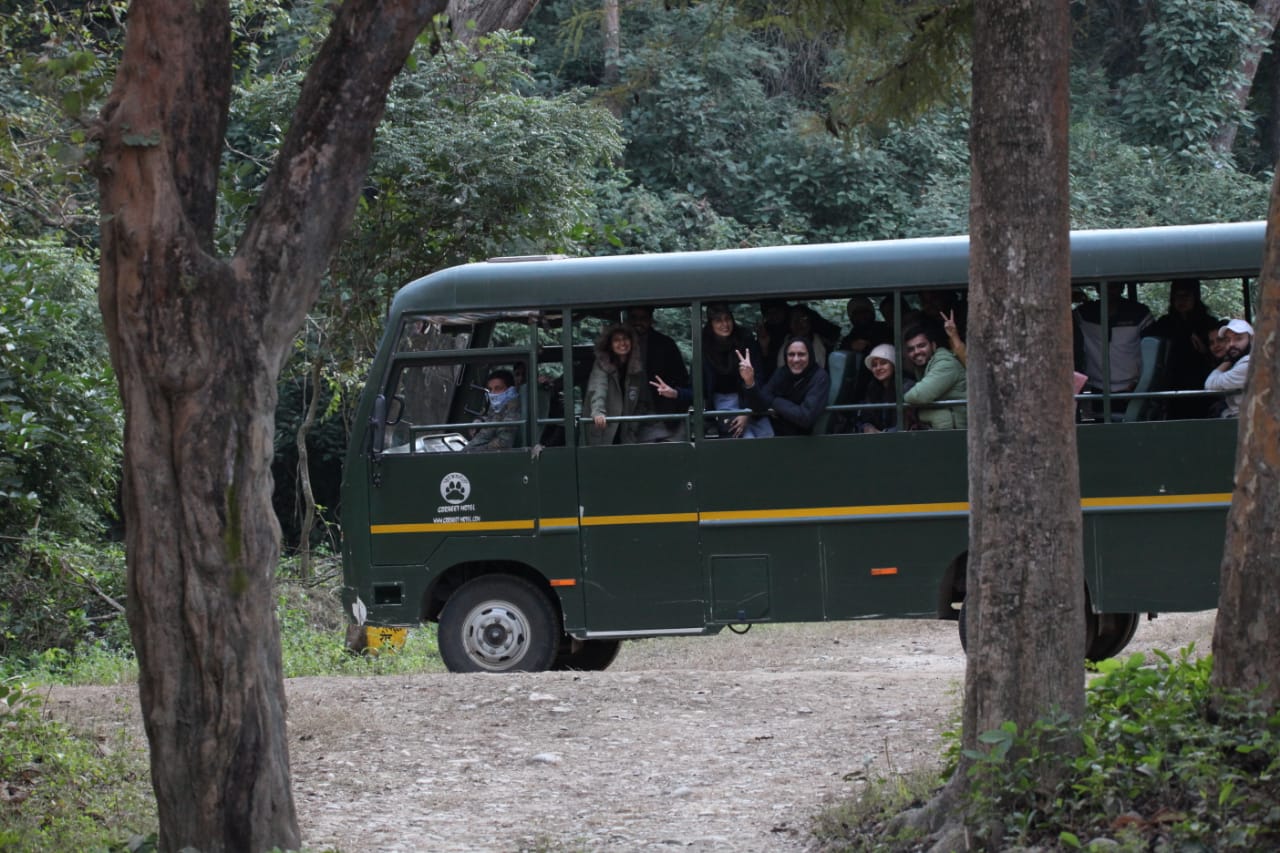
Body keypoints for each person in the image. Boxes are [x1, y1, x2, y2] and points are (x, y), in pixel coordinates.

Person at [650, 303, 773, 438]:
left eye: (727, 319)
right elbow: (698, 391)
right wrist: (675, 393)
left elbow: (760, 380)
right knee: (745, 436)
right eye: (718, 320)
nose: (725, 324)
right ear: (710, 323)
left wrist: (747, 410)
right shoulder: (704, 348)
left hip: (749, 397)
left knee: (767, 435)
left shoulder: (746, 340)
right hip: (723, 401)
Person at [1149, 278, 1219, 419]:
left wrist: (1205, 350)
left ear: (1195, 297)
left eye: (1186, 296)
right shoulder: (1165, 323)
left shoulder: (1208, 323)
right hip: (1173, 384)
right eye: (1177, 296)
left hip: (1202, 383)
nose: (1181, 301)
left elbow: (1219, 354)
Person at [1073, 282, 1155, 394]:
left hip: (1132, 385)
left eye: (1113, 286)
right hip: (1096, 385)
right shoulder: (1084, 313)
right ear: (1097, 289)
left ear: (1122, 287)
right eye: (1104, 287)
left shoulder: (1139, 313)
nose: (1109, 291)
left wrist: (1141, 380)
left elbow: (1152, 351)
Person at [740, 336, 831, 436]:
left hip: (801, 438)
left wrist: (775, 401)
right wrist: (750, 382)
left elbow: (805, 417)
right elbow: (760, 405)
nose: (796, 359)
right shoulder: (782, 372)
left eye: (801, 354)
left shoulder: (820, 377)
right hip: (774, 428)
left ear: (810, 356)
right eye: (791, 355)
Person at [627, 306, 690, 441]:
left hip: (666, 415)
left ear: (650, 320)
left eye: (643, 318)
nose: (638, 322)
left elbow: (684, 381)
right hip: (634, 416)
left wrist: (674, 393)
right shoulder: (621, 346)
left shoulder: (665, 345)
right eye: (634, 318)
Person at [585, 324, 653, 445]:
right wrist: (598, 412)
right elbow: (598, 388)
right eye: (617, 340)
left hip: (627, 430)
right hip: (604, 426)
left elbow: (641, 400)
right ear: (609, 345)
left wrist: (633, 425)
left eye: (625, 338)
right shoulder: (602, 364)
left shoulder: (637, 367)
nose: (622, 343)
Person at [902, 324, 967, 429]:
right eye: (911, 349)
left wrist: (904, 400)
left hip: (962, 430)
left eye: (921, 346)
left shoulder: (945, 364)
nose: (916, 352)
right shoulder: (923, 367)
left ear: (933, 346)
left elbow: (917, 396)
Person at [855, 343, 915, 433]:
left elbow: (906, 424)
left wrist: (883, 433)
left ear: (894, 365)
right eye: (874, 365)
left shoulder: (906, 386)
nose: (878, 368)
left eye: (883, 363)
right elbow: (866, 416)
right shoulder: (873, 388)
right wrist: (867, 427)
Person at [1204, 319, 1253, 418]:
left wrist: (1227, 360)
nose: (1231, 344)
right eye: (1227, 340)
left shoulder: (1248, 364)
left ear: (1252, 340)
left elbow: (1210, 384)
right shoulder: (1240, 361)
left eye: (1238, 338)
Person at [466, 369, 522, 451]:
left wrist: (473, 451)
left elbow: (503, 443)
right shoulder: (498, 405)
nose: (493, 393)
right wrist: (480, 420)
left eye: (498, 388)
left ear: (510, 389)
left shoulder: (513, 408)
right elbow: (493, 418)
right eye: (490, 389)